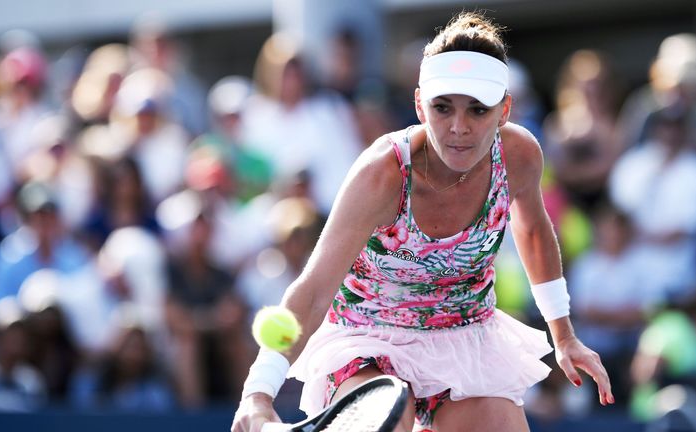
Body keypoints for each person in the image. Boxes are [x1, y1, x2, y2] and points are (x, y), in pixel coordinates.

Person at [231, 12, 613, 432]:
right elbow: (314, 287)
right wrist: (258, 392)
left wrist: (564, 334)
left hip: (467, 339)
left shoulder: (520, 154)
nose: (458, 128)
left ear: (504, 110)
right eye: (442, 107)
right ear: (419, 105)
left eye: (478, 110)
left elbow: (533, 230)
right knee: (391, 419)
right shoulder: (382, 173)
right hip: (367, 339)